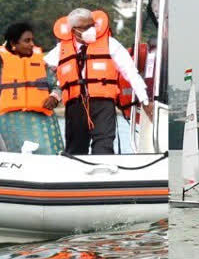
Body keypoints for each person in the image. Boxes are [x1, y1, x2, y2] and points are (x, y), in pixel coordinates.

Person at [44, 9, 153, 155]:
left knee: (104, 146)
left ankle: (104, 174)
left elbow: (131, 73)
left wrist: (145, 100)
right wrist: (55, 96)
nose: (91, 30)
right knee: (75, 149)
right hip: (75, 106)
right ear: (73, 30)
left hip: (103, 105)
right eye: (85, 27)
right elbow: (58, 77)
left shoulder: (111, 44)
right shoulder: (60, 50)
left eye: (92, 25)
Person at [0, 21, 64, 154]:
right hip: (9, 121)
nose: (32, 44)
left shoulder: (42, 64)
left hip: (40, 118)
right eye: (27, 41)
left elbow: (57, 85)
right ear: (14, 44)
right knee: (16, 156)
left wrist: (54, 97)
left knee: (49, 154)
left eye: (32, 40)